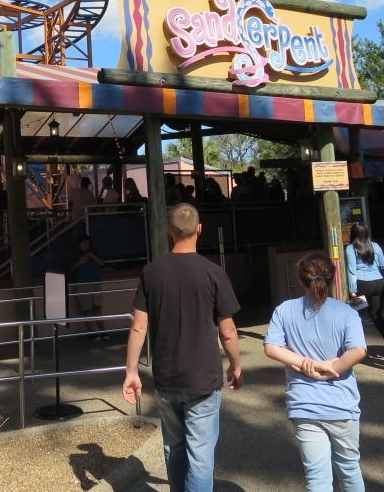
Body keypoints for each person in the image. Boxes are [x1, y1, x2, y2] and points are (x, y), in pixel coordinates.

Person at [122, 203, 242, 492]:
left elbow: (138, 326)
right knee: (200, 456)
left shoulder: (151, 273)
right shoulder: (214, 273)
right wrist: (235, 365)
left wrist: (131, 372)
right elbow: (227, 333)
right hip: (203, 379)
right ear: (199, 230)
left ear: (169, 231)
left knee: (174, 448)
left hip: (166, 378)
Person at [264, 253, 367, 492]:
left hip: (304, 405)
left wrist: (307, 364)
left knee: (317, 476)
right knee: (349, 469)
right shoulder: (347, 313)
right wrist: (331, 369)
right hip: (342, 404)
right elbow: (358, 351)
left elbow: (271, 348)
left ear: (301, 281)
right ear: (332, 279)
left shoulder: (284, 310)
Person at [344, 223, 384, 355]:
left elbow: (351, 271)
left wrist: (352, 291)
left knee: (359, 316)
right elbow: (383, 264)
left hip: (362, 285)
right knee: (377, 316)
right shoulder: (375, 246)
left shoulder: (350, 248)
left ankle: (361, 348)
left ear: (353, 234)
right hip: (378, 284)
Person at [71, 236, 108, 340]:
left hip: (96, 283)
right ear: (80, 244)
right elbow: (71, 268)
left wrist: (93, 257)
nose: (87, 246)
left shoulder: (94, 251)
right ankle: (92, 333)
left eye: (88, 244)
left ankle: (103, 332)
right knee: (87, 309)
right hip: (83, 284)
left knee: (97, 307)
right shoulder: (75, 254)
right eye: (84, 244)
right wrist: (83, 260)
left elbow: (103, 263)